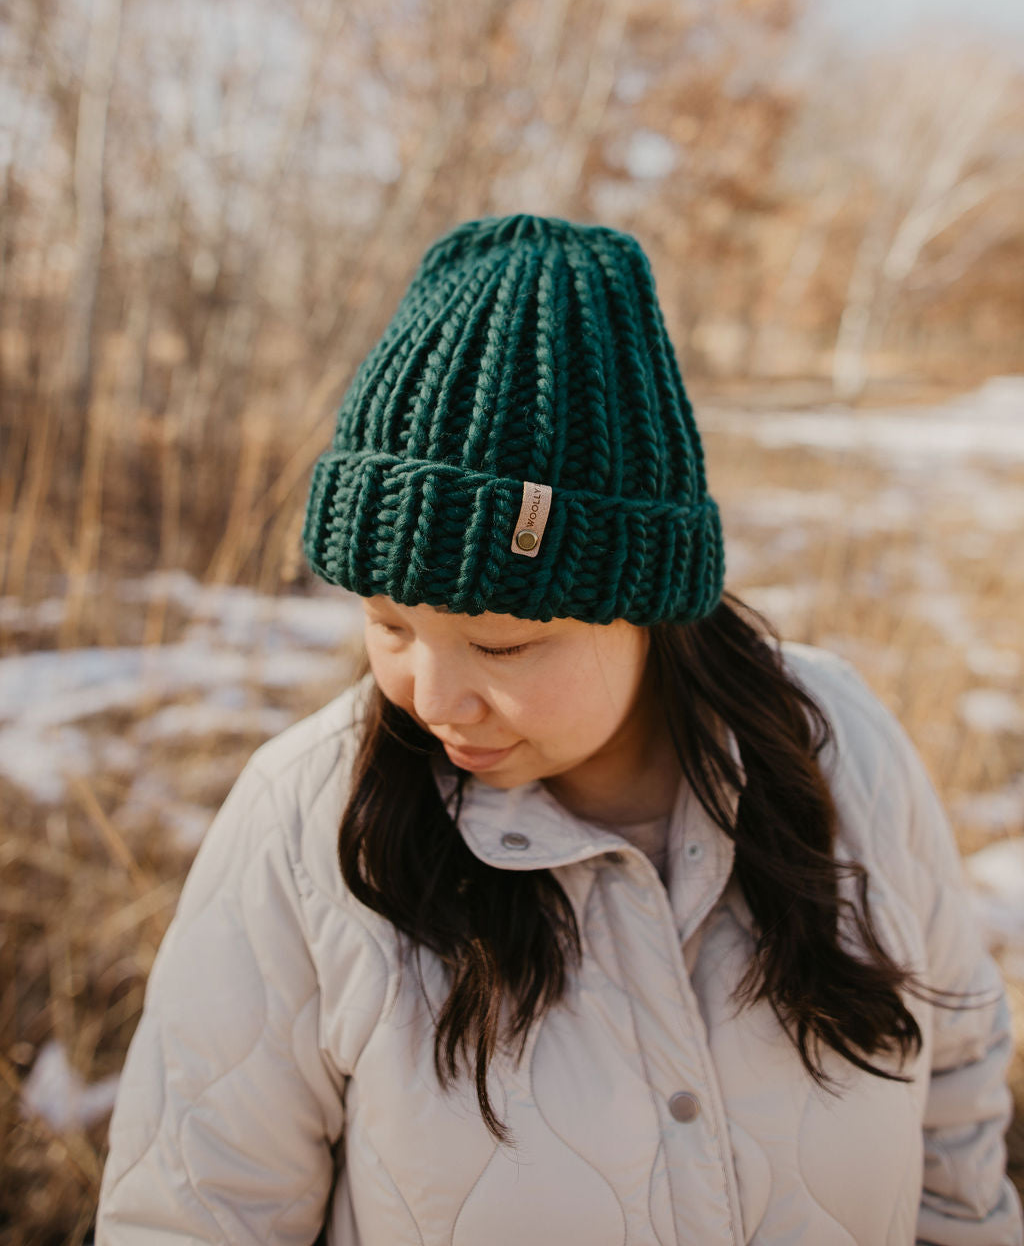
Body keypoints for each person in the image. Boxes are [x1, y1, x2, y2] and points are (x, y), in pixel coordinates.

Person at [97, 214, 1021, 1245]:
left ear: (649, 605)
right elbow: (191, 1213)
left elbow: (958, 1091)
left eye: (501, 646)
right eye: (388, 623)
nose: (434, 699)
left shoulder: (839, 744)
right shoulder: (304, 824)